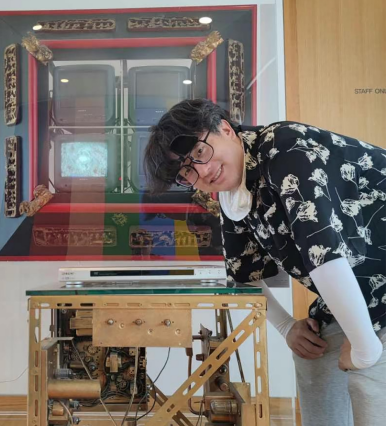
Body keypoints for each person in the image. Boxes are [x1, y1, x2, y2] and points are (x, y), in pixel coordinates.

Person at [144, 99, 386, 426]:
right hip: (360, 285)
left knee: (369, 377)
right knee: (312, 354)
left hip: (378, 279)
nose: (202, 171)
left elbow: (324, 254)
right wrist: (287, 327)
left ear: (225, 129)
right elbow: (244, 275)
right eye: (187, 171)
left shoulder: (285, 148)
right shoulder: (234, 196)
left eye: (200, 152)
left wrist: (364, 351)